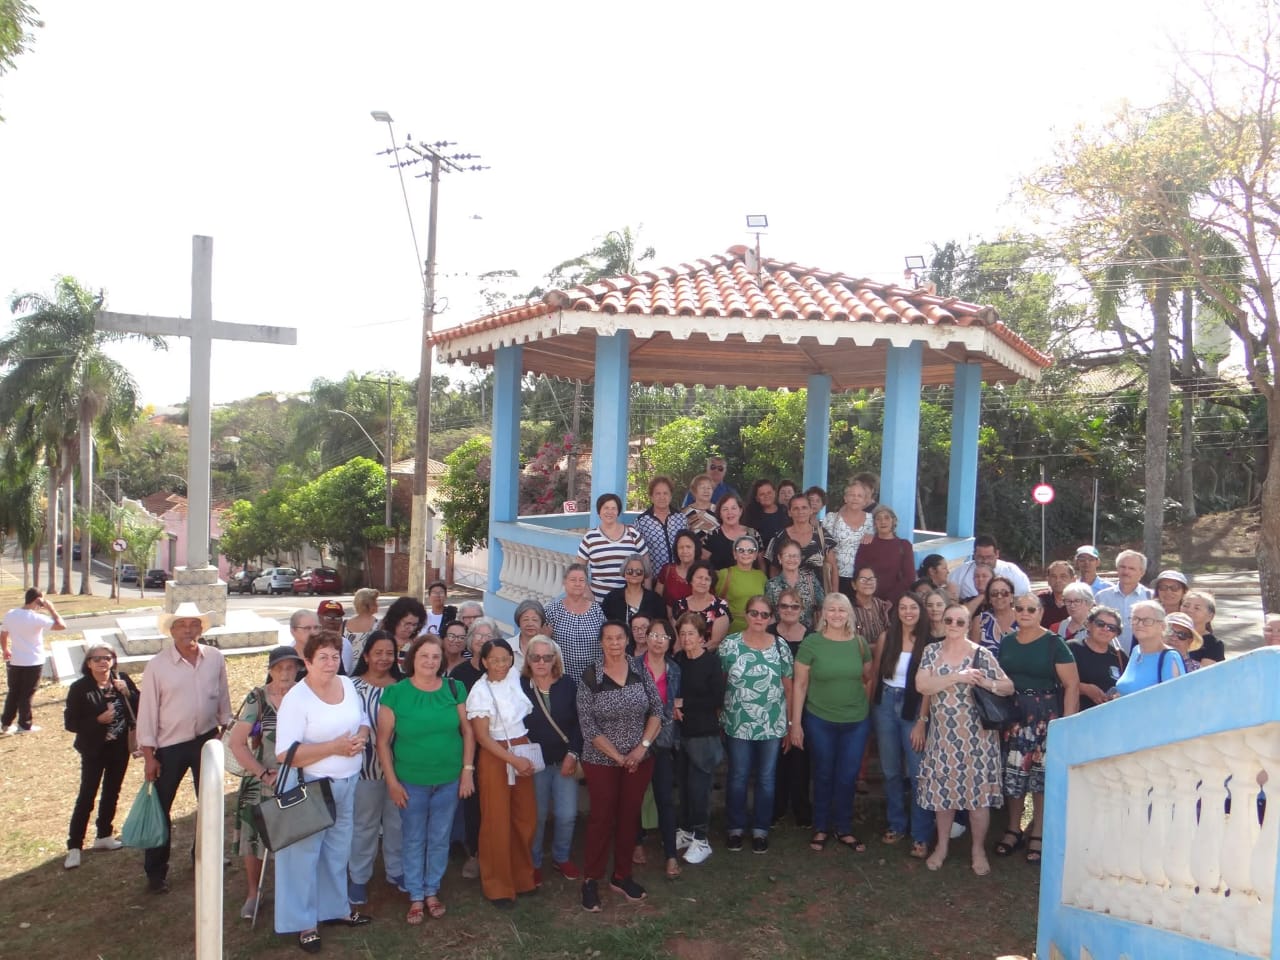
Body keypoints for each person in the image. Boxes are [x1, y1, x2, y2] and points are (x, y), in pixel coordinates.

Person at [273, 629, 372, 950]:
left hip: (347, 782)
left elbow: (364, 719)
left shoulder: (347, 684)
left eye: (335, 656)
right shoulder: (296, 699)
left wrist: (361, 736)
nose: (331, 663)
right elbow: (285, 754)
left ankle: (334, 909)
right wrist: (334, 747)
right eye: (323, 658)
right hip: (311, 786)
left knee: (337, 850)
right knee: (304, 857)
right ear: (307, 662)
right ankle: (304, 924)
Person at [135, 602, 232, 895]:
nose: (189, 630)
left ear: (201, 629)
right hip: (169, 746)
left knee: (210, 804)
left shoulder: (214, 658)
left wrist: (225, 728)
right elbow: (148, 712)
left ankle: (204, 855)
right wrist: (149, 755)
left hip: (206, 740)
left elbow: (223, 697)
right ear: (172, 630)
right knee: (162, 809)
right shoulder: (158, 666)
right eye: (182, 625)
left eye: (194, 625)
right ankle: (156, 871)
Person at [378, 633, 475, 924]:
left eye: (435, 657)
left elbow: (468, 732)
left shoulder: (454, 688)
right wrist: (393, 783)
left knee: (439, 837)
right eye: (424, 656)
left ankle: (432, 890)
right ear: (413, 660)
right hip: (411, 781)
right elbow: (383, 742)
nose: (430, 662)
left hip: (448, 779)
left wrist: (467, 771)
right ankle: (416, 895)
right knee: (413, 837)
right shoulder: (396, 693)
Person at [915, 602, 1014, 874]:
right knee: (943, 797)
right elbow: (922, 685)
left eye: (961, 621)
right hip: (943, 737)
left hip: (977, 739)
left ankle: (977, 849)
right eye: (949, 620)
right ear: (943, 622)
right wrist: (958, 677)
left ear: (969, 624)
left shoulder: (980, 654)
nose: (954, 626)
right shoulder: (931, 651)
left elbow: (1008, 686)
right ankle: (942, 846)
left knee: (977, 799)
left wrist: (985, 682)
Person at [577, 621, 664, 911]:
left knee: (629, 816)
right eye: (609, 639)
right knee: (602, 818)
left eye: (619, 637)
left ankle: (622, 875)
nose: (614, 643)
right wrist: (618, 756)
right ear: (601, 643)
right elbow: (588, 726)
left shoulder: (640, 671)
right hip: (602, 760)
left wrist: (641, 749)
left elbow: (656, 711)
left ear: (627, 640)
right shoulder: (590, 676)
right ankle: (590, 879)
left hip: (639, 760)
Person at [995, 593, 1079, 866]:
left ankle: (1039, 832)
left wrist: (1066, 726)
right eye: (1019, 608)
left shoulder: (1055, 644)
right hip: (1014, 715)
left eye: (1031, 609)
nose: (1025, 612)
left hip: (1045, 715)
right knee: (1014, 775)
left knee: (1041, 777)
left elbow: (1071, 685)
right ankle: (1013, 828)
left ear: (1041, 613)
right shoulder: (1007, 642)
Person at [790, 593, 873, 853]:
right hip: (820, 719)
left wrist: (864, 708)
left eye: (842, 609)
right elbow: (800, 685)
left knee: (848, 777)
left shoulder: (860, 644)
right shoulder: (812, 643)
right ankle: (821, 827)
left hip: (856, 721)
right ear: (823, 614)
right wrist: (795, 723)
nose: (837, 614)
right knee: (824, 774)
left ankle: (844, 828)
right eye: (832, 609)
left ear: (849, 614)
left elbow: (868, 678)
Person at [226, 646, 300, 916]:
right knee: (254, 838)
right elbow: (237, 743)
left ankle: (292, 892)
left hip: (297, 777)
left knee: (295, 838)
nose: (286, 673)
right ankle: (253, 893)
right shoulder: (258, 697)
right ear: (270, 670)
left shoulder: (305, 695)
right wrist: (263, 773)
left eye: (291, 667)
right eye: (280, 668)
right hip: (262, 778)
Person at [467, 638, 539, 908]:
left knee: (525, 817)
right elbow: (483, 738)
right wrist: (513, 760)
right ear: (484, 661)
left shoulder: (513, 679)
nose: (500, 664)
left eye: (505, 659)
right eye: (494, 660)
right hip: (497, 755)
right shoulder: (479, 692)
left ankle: (522, 877)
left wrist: (521, 757)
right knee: (496, 819)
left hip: (520, 746)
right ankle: (498, 885)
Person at [721, 596, 794, 854]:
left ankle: (761, 829)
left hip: (772, 724)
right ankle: (735, 828)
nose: (759, 619)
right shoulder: (730, 645)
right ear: (746, 614)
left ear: (771, 618)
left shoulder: (780, 646)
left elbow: (788, 685)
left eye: (764, 615)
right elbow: (720, 680)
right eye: (754, 613)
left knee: (766, 778)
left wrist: (790, 722)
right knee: (738, 777)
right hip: (737, 722)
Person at [62, 641, 139, 870]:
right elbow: (70, 723)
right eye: (97, 659)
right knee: (87, 795)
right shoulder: (80, 688)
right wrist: (97, 721)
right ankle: (75, 845)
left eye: (107, 657)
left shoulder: (121, 679)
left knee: (112, 791)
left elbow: (140, 704)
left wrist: (129, 692)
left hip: (119, 747)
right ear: (88, 663)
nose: (103, 662)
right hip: (94, 749)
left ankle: (104, 834)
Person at [870, 593, 935, 859]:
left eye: (913, 608)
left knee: (919, 772)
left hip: (914, 707)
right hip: (884, 704)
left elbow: (929, 688)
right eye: (903, 607)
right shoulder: (887, 638)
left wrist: (922, 721)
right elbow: (875, 674)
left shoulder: (930, 642)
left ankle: (920, 834)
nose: (908, 612)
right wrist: (868, 710)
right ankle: (896, 824)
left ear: (921, 611)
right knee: (890, 770)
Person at [347, 631, 404, 908]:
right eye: (378, 652)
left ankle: (397, 871)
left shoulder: (404, 686)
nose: (384, 658)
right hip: (364, 769)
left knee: (397, 823)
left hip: (400, 770)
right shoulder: (350, 687)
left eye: (389, 653)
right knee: (365, 824)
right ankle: (358, 877)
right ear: (366, 655)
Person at [520, 636, 582, 883]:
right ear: (528, 659)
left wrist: (574, 753)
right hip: (534, 764)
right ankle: (533, 862)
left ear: (555, 658)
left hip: (565, 760)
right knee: (537, 815)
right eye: (536, 657)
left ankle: (561, 856)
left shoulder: (568, 684)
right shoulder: (520, 685)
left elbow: (580, 723)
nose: (542, 662)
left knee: (567, 814)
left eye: (547, 657)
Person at [673, 612, 725, 864]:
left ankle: (702, 839)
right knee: (683, 786)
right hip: (680, 734)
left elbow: (718, 699)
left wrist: (685, 703)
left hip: (703, 735)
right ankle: (685, 831)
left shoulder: (711, 662)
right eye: (682, 633)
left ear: (702, 636)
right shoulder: (677, 660)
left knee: (699, 789)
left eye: (690, 633)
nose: (686, 638)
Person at [634, 618, 682, 879]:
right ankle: (636, 842)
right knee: (635, 796)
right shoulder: (634, 667)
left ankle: (671, 855)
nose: (658, 640)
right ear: (646, 637)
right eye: (654, 635)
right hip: (635, 739)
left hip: (662, 741)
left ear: (670, 642)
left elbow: (674, 705)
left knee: (665, 798)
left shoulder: (674, 669)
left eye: (664, 637)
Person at [767, 588, 812, 827]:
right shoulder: (769, 634)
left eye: (794, 606)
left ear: (801, 610)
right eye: (784, 606)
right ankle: (777, 807)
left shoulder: (811, 635)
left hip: (803, 702)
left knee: (801, 756)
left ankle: (802, 808)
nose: (789, 610)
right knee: (777, 757)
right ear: (778, 609)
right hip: (774, 702)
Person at [2, 587, 65, 733]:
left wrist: (5, 649)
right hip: (33, 661)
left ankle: (5, 723)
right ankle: (25, 724)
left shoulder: (11, 614)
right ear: (38, 600)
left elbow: (3, 634)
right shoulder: (36, 618)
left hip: (15, 660)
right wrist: (51, 609)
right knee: (27, 694)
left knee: (13, 692)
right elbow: (61, 626)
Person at [578, 493, 649, 603]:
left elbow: (646, 565)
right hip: (598, 600)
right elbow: (579, 568)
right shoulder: (590, 537)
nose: (609, 512)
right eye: (606, 508)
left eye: (613, 508)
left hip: (628, 601)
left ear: (618, 511)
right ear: (599, 511)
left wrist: (647, 594)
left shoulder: (633, 534)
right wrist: (586, 591)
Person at [545, 563, 607, 682]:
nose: (577, 584)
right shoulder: (553, 610)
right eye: (573, 580)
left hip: (593, 679)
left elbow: (605, 640)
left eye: (582, 580)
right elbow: (542, 641)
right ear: (565, 582)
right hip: (562, 678)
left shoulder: (596, 610)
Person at [1112, 600, 1184, 696]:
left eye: (1147, 621)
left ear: (1162, 626)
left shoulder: (1169, 657)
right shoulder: (1136, 651)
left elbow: (1174, 699)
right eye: (1135, 619)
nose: (1139, 624)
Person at [1068, 606, 1127, 710]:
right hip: (1076, 715)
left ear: (1116, 634)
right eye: (1100, 624)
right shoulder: (1072, 648)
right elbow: (1056, 681)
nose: (1105, 629)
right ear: (1089, 625)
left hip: (1110, 716)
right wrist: (1085, 688)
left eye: (1111, 628)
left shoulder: (1120, 656)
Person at [823, 480, 875, 599]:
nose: (855, 498)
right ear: (845, 498)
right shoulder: (831, 518)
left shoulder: (872, 521)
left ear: (865, 500)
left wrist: (874, 537)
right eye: (852, 495)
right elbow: (824, 547)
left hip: (862, 579)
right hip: (836, 576)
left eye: (859, 496)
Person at [854, 505, 916, 604]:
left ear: (893, 521)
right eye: (878, 519)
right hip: (869, 601)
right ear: (874, 523)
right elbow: (859, 572)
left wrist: (890, 600)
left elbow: (909, 577)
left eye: (887, 518)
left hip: (895, 601)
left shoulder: (904, 545)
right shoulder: (866, 544)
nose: (883, 521)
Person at [1095, 549, 1154, 651]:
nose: (1126, 572)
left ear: (1142, 572)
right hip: (1107, 656)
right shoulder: (1102, 597)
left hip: (1140, 656)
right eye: (1122, 567)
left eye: (1131, 568)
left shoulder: (1150, 597)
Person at [946, 535, 1032, 600]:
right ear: (974, 554)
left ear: (997, 554)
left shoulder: (1011, 571)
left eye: (989, 557)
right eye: (980, 557)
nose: (985, 561)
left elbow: (1025, 597)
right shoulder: (960, 573)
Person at [765, 537, 825, 629]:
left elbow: (823, 606)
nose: (791, 559)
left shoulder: (810, 580)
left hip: (807, 637)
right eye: (787, 555)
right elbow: (769, 615)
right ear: (779, 558)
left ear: (800, 558)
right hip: (780, 637)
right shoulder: (771, 585)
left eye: (795, 556)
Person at [671, 561, 731, 650]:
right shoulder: (680, 605)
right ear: (691, 579)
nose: (703, 582)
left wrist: (695, 655)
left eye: (707, 579)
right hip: (682, 656)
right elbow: (677, 640)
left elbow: (715, 643)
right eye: (699, 578)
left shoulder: (720, 606)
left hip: (708, 657)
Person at [634, 476, 688, 575]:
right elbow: (637, 552)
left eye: (665, 493)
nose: (662, 497)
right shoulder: (641, 521)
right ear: (651, 497)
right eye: (657, 493)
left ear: (671, 495)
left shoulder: (681, 519)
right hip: (653, 577)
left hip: (678, 577)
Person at [716, 535, 768, 634]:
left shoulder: (761, 576)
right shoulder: (724, 574)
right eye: (741, 550)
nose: (745, 553)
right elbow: (717, 601)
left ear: (755, 555)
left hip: (758, 628)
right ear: (735, 554)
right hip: (733, 629)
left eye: (750, 550)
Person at [602, 553, 666, 627]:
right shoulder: (611, 598)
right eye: (630, 571)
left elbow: (661, 626)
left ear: (644, 574)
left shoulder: (655, 600)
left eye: (639, 572)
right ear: (624, 572)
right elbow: (605, 625)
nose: (634, 574)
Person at [705, 493, 758, 571]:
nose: (730, 512)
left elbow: (761, 563)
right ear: (720, 513)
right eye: (725, 509)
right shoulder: (712, 536)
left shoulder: (753, 534)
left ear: (740, 511)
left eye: (733, 508)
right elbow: (703, 564)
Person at [655, 530, 699, 614]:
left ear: (696, 548)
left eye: (688, 547)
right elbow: (657, 600)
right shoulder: (667, 570)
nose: (684, 551)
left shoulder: (704, 572)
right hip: (668, 622)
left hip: (697, 624)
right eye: (681, 547)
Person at [972, 575, 1017, 656]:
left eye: (1004, 593)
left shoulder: (1023, 617)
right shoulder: (979, 621)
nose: (999, 596)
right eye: (994, 593)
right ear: (989, 598)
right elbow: (973, 655)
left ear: (1012, 597)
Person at [850, 564, 892, 646]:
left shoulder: (882, 605)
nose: (868, 583)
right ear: (854, 585)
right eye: (863, 580)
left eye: (871, 579)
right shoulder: (847, 609)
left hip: (883, 655)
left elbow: (889, 634)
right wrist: (877, 647)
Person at [1181, 590, 1226, 663]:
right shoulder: (1169, 635)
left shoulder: (1213, 644)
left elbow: (1205, 672)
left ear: (1210, 616)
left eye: (1197, 608)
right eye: (1186, 606)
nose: (1189, 610)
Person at [380, 596, 427, 665]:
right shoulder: (380, 640)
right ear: (395, 620)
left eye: (414, 625)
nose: (411, 629)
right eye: (407, 624)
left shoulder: (419, 644)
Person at [744, 478, 788, 548]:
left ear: (774, 493)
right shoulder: (751, 517)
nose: (766, 496)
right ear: (757, 498)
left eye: (769, 492)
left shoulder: (785, 511)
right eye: (762, 494)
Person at [681, 473, 720, 551]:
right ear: (694, 491)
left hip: (717, 553)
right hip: (693, 554)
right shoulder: (685, 512)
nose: (706, 491)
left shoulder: (719, 510)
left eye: (709, 488)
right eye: (702, 488)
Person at [343, 588, 380, 671]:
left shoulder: (344, 624)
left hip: (347, 670)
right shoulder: (379, 625)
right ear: (368, 604)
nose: (377, 605)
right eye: (375, 602)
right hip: (368, 671)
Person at [509, 599, 549, 674]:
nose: (530, 624)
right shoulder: (507, 646)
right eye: (525, 619)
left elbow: (558, 676)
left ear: (541, 623)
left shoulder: (552, 648)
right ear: (518, 622)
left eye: (535, 620)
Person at [1037, 561, 1075, 629]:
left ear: (1073, 580)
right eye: (1053, 576)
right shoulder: (1040, 600)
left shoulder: (1080, 602)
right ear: (1048, 580)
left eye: (1063, 576)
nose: (1058, 580)